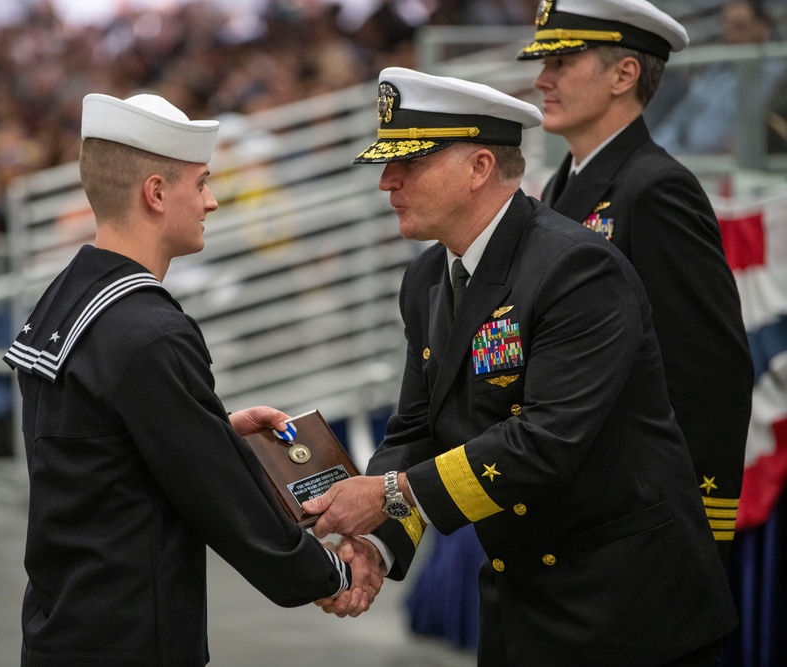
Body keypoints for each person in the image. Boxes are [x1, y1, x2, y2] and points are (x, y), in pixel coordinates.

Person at [301, 67, 738, 665]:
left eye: (410, 163)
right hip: (521, 595)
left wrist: (390, 494)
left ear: (481, 167)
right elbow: (416, 428)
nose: (387, 181)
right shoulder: (428, 277)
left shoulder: (576, 268)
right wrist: (378, 540)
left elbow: (544, 441)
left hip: (628, 605)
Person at [2, 92, 383, 666]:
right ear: (155, 193)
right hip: (131, 634)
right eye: (201, 183)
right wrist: (326, 573)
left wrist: (213, 428)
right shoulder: (149, 329)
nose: (213, 201)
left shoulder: (68, 293)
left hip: (65, 617)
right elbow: (222, 498)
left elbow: (95, 440)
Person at [516, 0, 754, 564]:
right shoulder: (563, 186)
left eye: (563, 62)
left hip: (638, 517)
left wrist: (695, 518)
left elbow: (710, 370)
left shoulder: (656, 188)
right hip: (579, 498)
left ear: (624, 75)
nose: (541, 78)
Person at [651, 0, 785, 155]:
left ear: (762, 26)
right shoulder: (712, 71)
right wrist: (652, 152)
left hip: (726, 169)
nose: (731, 36)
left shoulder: (777, 78)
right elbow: (678, 119)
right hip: (684, 161)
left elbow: (752, 135)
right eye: (726, 27)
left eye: (740, 27)